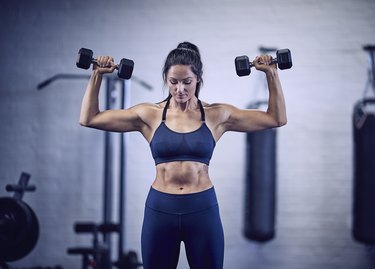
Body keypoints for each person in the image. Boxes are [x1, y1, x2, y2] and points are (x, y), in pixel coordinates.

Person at [79, 41, 287, 269]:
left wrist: (271, 73)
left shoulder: (217, 115)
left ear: (198, 78)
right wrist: (97, 74)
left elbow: (276, 118)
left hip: (202, 210)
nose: (180, 89)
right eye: (173, 82)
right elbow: (89, 118)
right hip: (160, 210)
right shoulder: (150, 115)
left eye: (187, 82)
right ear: (165, 80)